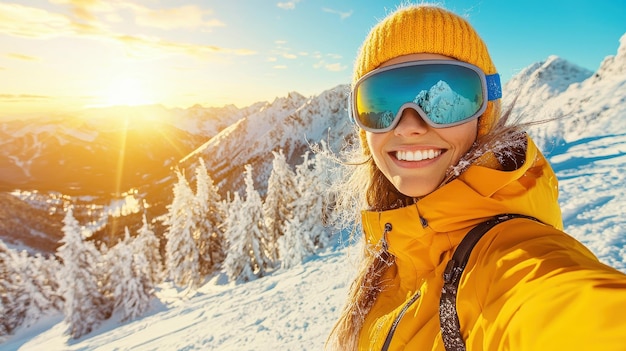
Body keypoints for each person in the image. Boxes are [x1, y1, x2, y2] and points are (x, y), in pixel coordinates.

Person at [325, 3, 626, 350]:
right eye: (382, 103)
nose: (409, 125)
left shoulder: (508, 259)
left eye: (446, 100)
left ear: (483, 113)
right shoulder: (393, 250)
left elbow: (566, 311)